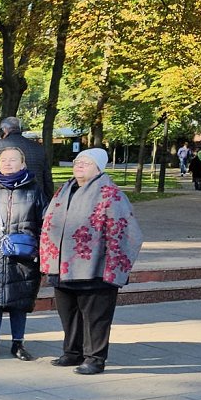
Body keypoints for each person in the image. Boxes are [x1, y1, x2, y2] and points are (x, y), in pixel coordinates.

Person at [40, 148, 143, 375]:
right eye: (77, 161)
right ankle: (72, 352)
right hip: (63, 266)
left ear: (98, 168)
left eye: (85, 163)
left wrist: (114, 266)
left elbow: (126, 232)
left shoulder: (109, 193)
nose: (78, 166)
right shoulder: (65, 189)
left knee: (95, 317)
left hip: (95, 269)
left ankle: (95, 358)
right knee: (69, 314)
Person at [0, 146, 46, 361]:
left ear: (23, 164)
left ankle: (18, 344)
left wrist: (38, 249)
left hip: (23, 256)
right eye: (3, 160)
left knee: (20, 300)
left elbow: (45, 222)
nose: (7, 163)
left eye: (13, 160)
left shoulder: (34, 191)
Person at [0, 117, 55, 200]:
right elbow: (47, 179)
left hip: (6, 199)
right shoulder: (38, 148)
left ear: (4, 130)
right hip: (36, 199)